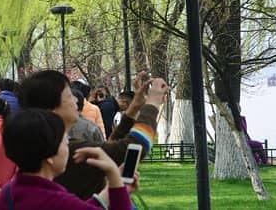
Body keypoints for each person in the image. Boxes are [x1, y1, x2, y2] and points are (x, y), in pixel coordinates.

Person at [19, 70, 166, 200]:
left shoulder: (53, 146)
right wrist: (152, 105)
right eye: (69, 96)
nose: (77, 100)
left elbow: (110, 151)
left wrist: (133, 109)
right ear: (52, 109)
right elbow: (131, 149)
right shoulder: (60, 150)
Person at [0, 108, 132, 210]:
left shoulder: (9, 193)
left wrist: (112, 188)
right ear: (49, 156)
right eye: (65, 142)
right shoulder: (57, 201)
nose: (68, 147)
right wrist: (114, 175)